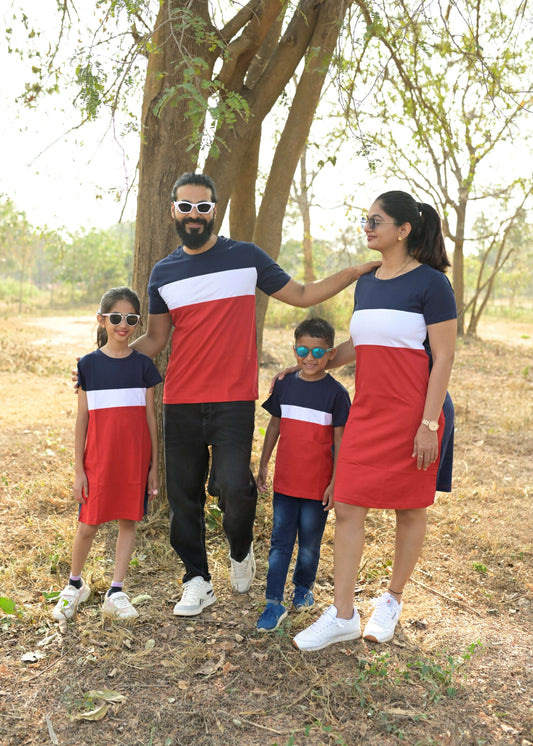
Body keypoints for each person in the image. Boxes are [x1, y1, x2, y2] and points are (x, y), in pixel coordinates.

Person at [126, 171, 379, 617]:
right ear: (173, 211)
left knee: (236, 491)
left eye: (203, 206)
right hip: (180, 400)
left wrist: (357, 271)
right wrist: (107, 361)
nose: (194, 214)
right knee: (182, 494)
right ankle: (197, 580)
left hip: (233, 400)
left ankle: (240, 549)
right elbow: (155, 340)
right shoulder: (163, 272)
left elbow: (302, 295)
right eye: (185, 206)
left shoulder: (245, 257)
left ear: (214, 210)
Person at [292, 190, 457, 651]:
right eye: (366, 220)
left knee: (409, 507)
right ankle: (343, 614)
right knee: (347, 506)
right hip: (367, 411)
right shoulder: (367, 282)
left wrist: (428, 424)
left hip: (416, 415)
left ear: (404, 230)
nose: (367, 227)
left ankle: (391, 600)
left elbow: (443, 358)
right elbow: (360, 344)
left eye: (376, 221)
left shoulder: (432, 284)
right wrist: (315, 362)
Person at [54, 287, 161, 622]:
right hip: (99, 460)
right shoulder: (88, 366)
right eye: (116, 317)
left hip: (134, 459)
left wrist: (154, 466)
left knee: (128, 520)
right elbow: (82, 419)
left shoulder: (144, 366)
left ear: (137, 322)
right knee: (88, 524)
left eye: (131, 319)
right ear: (102, 320)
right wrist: (79, 470)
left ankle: (116, 590)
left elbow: (150, 418)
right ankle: (74, 585)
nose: (123, 325)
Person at [256, 318, 351, 632]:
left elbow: (340, 442)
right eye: (301, 349)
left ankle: (302, 589)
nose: (309, 357)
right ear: (293, 349)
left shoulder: (336, 394)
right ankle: (273, 602)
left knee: (310, 543)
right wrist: (263, 464)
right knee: (280, 544)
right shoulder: (285, 384)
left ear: (330, 353)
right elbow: (274, 427)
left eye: (317, 351)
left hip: (317, 485)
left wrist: (336, 483)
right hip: (285, 482)